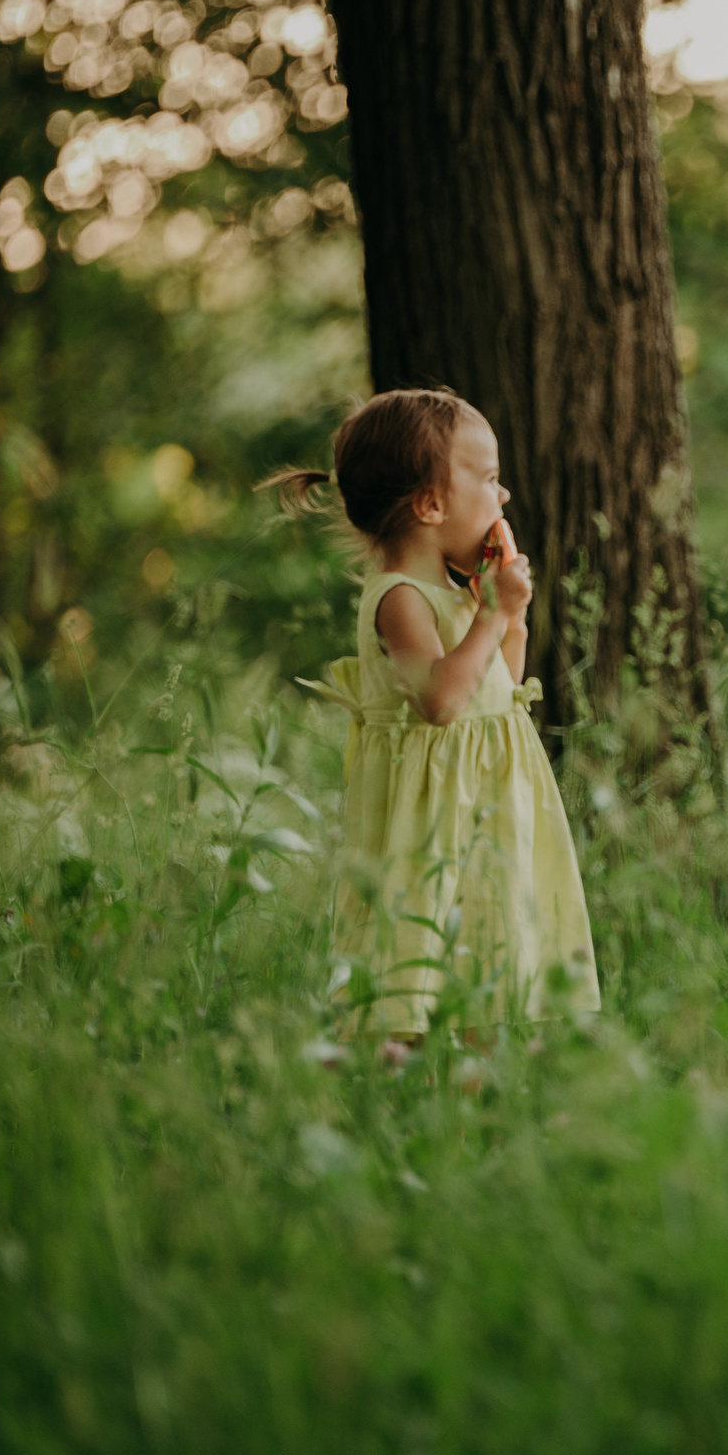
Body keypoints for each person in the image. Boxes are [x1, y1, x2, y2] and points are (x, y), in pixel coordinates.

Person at [265, 388, 600, 1042]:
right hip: (433, 815)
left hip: (487, 806)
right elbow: (443, 700)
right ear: (430, 504)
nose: (502, 496)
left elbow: (497, 680)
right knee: (415, 956)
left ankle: (477, 1083)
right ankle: (391, 1069)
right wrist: (491, 612)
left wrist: (509, 615)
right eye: (489, 477)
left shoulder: (456, 594)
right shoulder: (398, 598)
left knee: (491, 944)